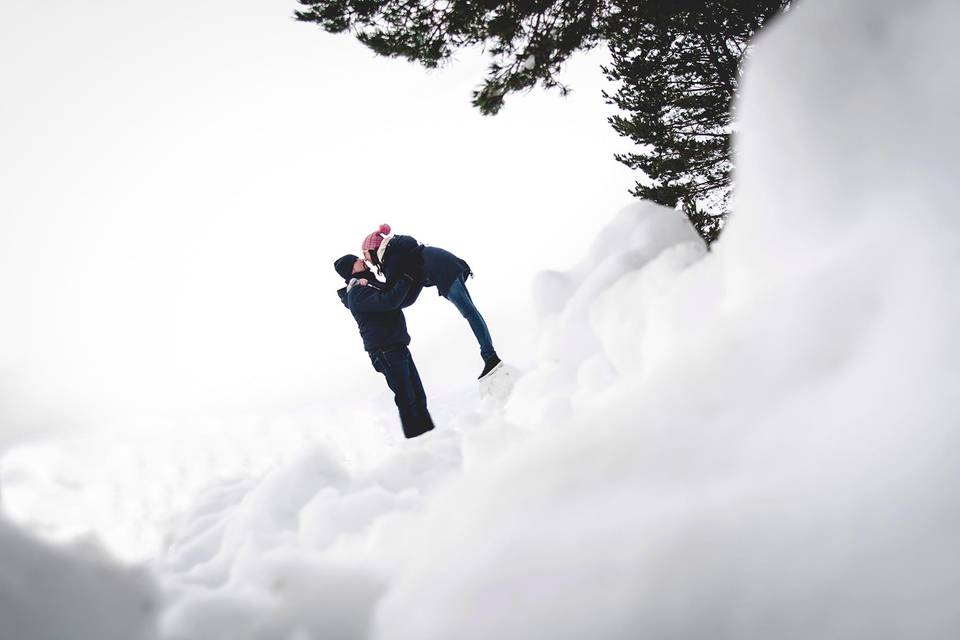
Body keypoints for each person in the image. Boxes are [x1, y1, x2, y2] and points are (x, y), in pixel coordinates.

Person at [361, 224, 502, 379]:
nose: (366, 259)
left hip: (443, 270)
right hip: (446, 265)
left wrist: (368, 282)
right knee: (471, 312)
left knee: (469, 312)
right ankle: (490, 356)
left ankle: (491, 357)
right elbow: (406, 292)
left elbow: (390, 289)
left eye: (365, 253)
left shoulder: (392, 256)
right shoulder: (395, 251)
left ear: (374, 249)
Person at [334, 253, 433, 439]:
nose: (362, 260)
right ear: (350, 269)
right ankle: (417, 443)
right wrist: (407, 276)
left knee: (418, 396)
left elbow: (397, 295)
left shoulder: (370, 284)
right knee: (407, 399)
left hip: (397, 347)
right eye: (357, 261)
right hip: (386, 352)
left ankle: (429, 438)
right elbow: (391, 300)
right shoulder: (357, 293)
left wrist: (410, 274)